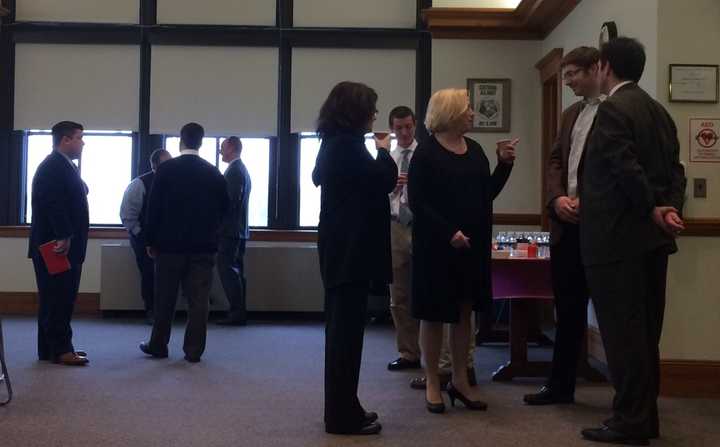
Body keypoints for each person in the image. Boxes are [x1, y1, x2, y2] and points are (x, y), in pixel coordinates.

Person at [579, 37, 686, 445]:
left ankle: (629, 420)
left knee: (623, 337)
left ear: (605, 66)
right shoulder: (659, 111)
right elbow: (676, 171)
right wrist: (669, 209)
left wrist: (651, 209)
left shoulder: (613, 111)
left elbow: (625, 170)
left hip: (615, 241)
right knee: (645, 336)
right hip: (653, 241)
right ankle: (644, 417)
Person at [408, 88, 516, 413]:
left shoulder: (476, 150)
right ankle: (432, 380)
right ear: (451, 113)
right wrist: (447, 232)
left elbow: (487, 194)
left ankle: (459, 380)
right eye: (468, 108)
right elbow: (418, 203)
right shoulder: (425, 153)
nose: (473, 113)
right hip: (436, 246)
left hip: (472, 245)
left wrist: (505, 165)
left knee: (464, 312)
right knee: (434, 314)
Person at [312, 81, 396, 435]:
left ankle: (347, 407)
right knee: (346, 339)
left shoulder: (333, 143)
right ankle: (342, 417)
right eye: (372, 109)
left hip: (340, 250)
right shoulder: (348, 146)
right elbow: (384, 180)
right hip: (349, 252)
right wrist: (384, 151)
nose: (375, 115)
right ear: (356, 111)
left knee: (343, 335)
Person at [524, 46, 602, 406]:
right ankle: (560, 386)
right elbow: (555, 160)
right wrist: (557, 200)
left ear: (594, 70)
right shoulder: (570, 113)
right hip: (565, 226)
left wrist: (589, 201)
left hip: (601, 229)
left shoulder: (616, 112)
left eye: (572, 74)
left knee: (611, 315)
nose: (567, 80)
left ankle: (626, 400)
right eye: (566, 74)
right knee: (567, 311)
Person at [139, 123, 228, 363]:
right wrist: (213, 237)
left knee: (164, 298)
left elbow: (153, 209)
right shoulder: (214, 173)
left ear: (181, 141)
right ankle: (193, 351)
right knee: (199, 301)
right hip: (203, 247)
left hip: (169, 247)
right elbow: (225, 211)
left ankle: (158, 345)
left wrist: (150, 240)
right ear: (201, 142)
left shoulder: (166, 171)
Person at [27, 121, 90, 366]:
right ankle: (62, 350)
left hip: (57, 245)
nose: (82, 143)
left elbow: (69, 195)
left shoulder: (62, 166)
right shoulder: (53, 166)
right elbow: (53, 204)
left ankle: (50, 349)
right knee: (60, 298)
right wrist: (63, 235)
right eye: (79, 138)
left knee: (54, 298)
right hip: (56, 247)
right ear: (66, 140)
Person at [384, 105, 422, 372]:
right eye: (399, 128)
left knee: (426, 292)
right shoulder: (388, 158)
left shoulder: (427, 155)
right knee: (398, 295)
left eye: (408, 126)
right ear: (392, 129)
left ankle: (429, 352)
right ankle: (408, 352)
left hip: (423, 227)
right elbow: (375, 196)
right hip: (396, 226)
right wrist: (391, 188)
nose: (405, 132)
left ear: (415, 124)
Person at [120, 149, 172, 325]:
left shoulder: (174, 183)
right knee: (149, 274)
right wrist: (142, 237)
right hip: (143, 236)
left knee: (167, 275)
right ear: (154, 165)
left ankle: (164, 311)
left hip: (168, 237)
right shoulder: (139, 184)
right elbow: (128, 215)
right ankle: (151, 310)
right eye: (166, 163)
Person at [216, 136, 252, 326]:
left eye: (222, 147)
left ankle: (237, 313)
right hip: (238, 231)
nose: (220, 151)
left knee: (228, 271)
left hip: (230, 231)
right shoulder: (239, 169)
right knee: (236, 272)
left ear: (231, 148)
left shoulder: (235, 171)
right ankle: (238, 312)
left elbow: (231, 201)